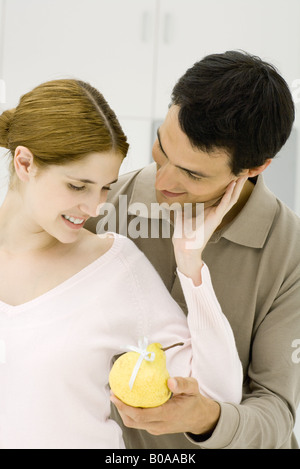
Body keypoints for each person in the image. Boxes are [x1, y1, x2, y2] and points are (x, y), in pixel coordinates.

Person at [0, 79, 243, 449]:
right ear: (24, 162)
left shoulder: (114, 268)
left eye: (104, 188)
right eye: (78, 186)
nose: (95, 208)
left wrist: (192, 266)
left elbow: (217, 392)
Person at [86, 51, 300, 449]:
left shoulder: (290, 253)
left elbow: (276, 412)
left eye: (192, 173)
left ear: (254, 168)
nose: (162, 180)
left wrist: (206, 417)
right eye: (162, 148)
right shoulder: (108, 203)